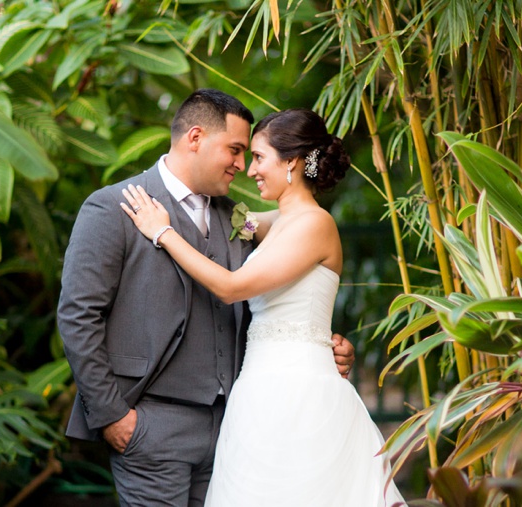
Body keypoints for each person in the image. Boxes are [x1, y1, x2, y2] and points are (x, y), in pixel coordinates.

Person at [56, 90, 355, 507]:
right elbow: (77, 316)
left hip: (236, 429)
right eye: (235, 150)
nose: (242, 165)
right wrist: (112, 417)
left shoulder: (239, 218)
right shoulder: (114, 207)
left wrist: (323, 345)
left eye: (250, 155)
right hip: (150, 428)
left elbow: (271, 294)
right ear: (195, 137)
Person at [121, 108, 406, 506]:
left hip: (298, 392)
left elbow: (231, 286)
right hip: (259, 390)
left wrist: (162, 231)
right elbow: (236, 223)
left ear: (291, 162)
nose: (249, 169)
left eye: (257, 157)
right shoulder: (279, 221)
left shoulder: (314, 224)